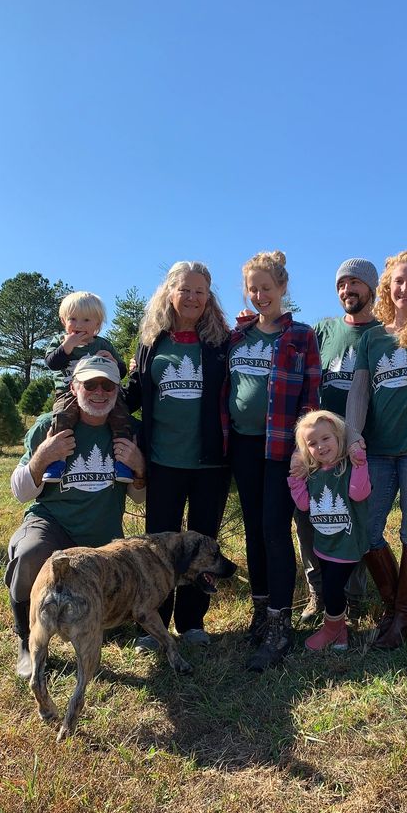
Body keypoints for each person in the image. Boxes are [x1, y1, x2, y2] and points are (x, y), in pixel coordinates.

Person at [6, 355, 146, 678]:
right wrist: (43, 457)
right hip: (52, 525)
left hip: (101, 540)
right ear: (74, 386)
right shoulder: (49, 426)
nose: (99, 392)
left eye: (107, 385)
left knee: (114, 602)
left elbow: (138, 497)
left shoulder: (128, 431)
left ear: (116, 391)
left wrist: (139, 466)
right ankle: (26, 640)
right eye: (90, 384)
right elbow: (20, 491)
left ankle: (98, 617)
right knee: (30, 554)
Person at [125, 260, 232, 650]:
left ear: (209, 298)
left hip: (210, 463)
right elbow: (132, 394)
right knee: (157, 547)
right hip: (162, 463)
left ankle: (192, 624)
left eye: (199, 291)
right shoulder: (153, 343)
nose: (191, 297)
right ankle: (153, 626)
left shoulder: (222, 344)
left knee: (203, 544)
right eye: (184, 290)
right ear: (169, 294)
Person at [222, 250, 321, 672]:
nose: (260, 295)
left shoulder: (300, 336)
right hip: (242, 445)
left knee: (274, 530)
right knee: (252, 531)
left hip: (281, 446)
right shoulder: (237, 337)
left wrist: (303, 451)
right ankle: (260, 612)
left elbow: (310, 397)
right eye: (253, 288)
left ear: (282, 288)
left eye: (267, 287)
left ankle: (281, 623)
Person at [346, 251, 407, 648]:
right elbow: (359, 391)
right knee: (368, 529)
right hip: (379, 452)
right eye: (398, 281)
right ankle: (394, 606)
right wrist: (352, 434)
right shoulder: (373, 338)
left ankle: (403, 620)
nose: (405, 289)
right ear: (387, 286)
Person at [295, 258, 379, 623]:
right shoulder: (323, 331)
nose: (348, 290)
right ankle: (318, 593)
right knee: (310, 518)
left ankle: (353, 597)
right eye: (342, 284)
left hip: (359, 447)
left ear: (372, 289)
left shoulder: (381, 333)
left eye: (355, 283)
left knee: (354, 520)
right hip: (318, 449)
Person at [289, 410, 371, 652]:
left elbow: (358, 493)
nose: (321, 447)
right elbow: (304, 505)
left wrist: (359, 461)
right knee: (330, 587)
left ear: (338, 437)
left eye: (326, 439)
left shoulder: (349, 466)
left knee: (333, 590)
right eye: (312, 443)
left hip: (347, 545)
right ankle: (341, 634)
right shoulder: (312, 473)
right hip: (323, 544)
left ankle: (330, 630)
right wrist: (295, 480)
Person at [43, 291, 134, 483]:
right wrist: (67, 347)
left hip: (101, 393)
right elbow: (52, 363)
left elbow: (122, 371)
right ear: (63, 321)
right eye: (72, 319)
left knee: (122, 416)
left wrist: (113, 362)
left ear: (97, 325)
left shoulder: (103, 344)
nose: (78, 325)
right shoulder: (60, 342)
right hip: (67, 394)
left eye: (86, 320)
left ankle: (123, 463)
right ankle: (57, 462)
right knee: (62, 418)